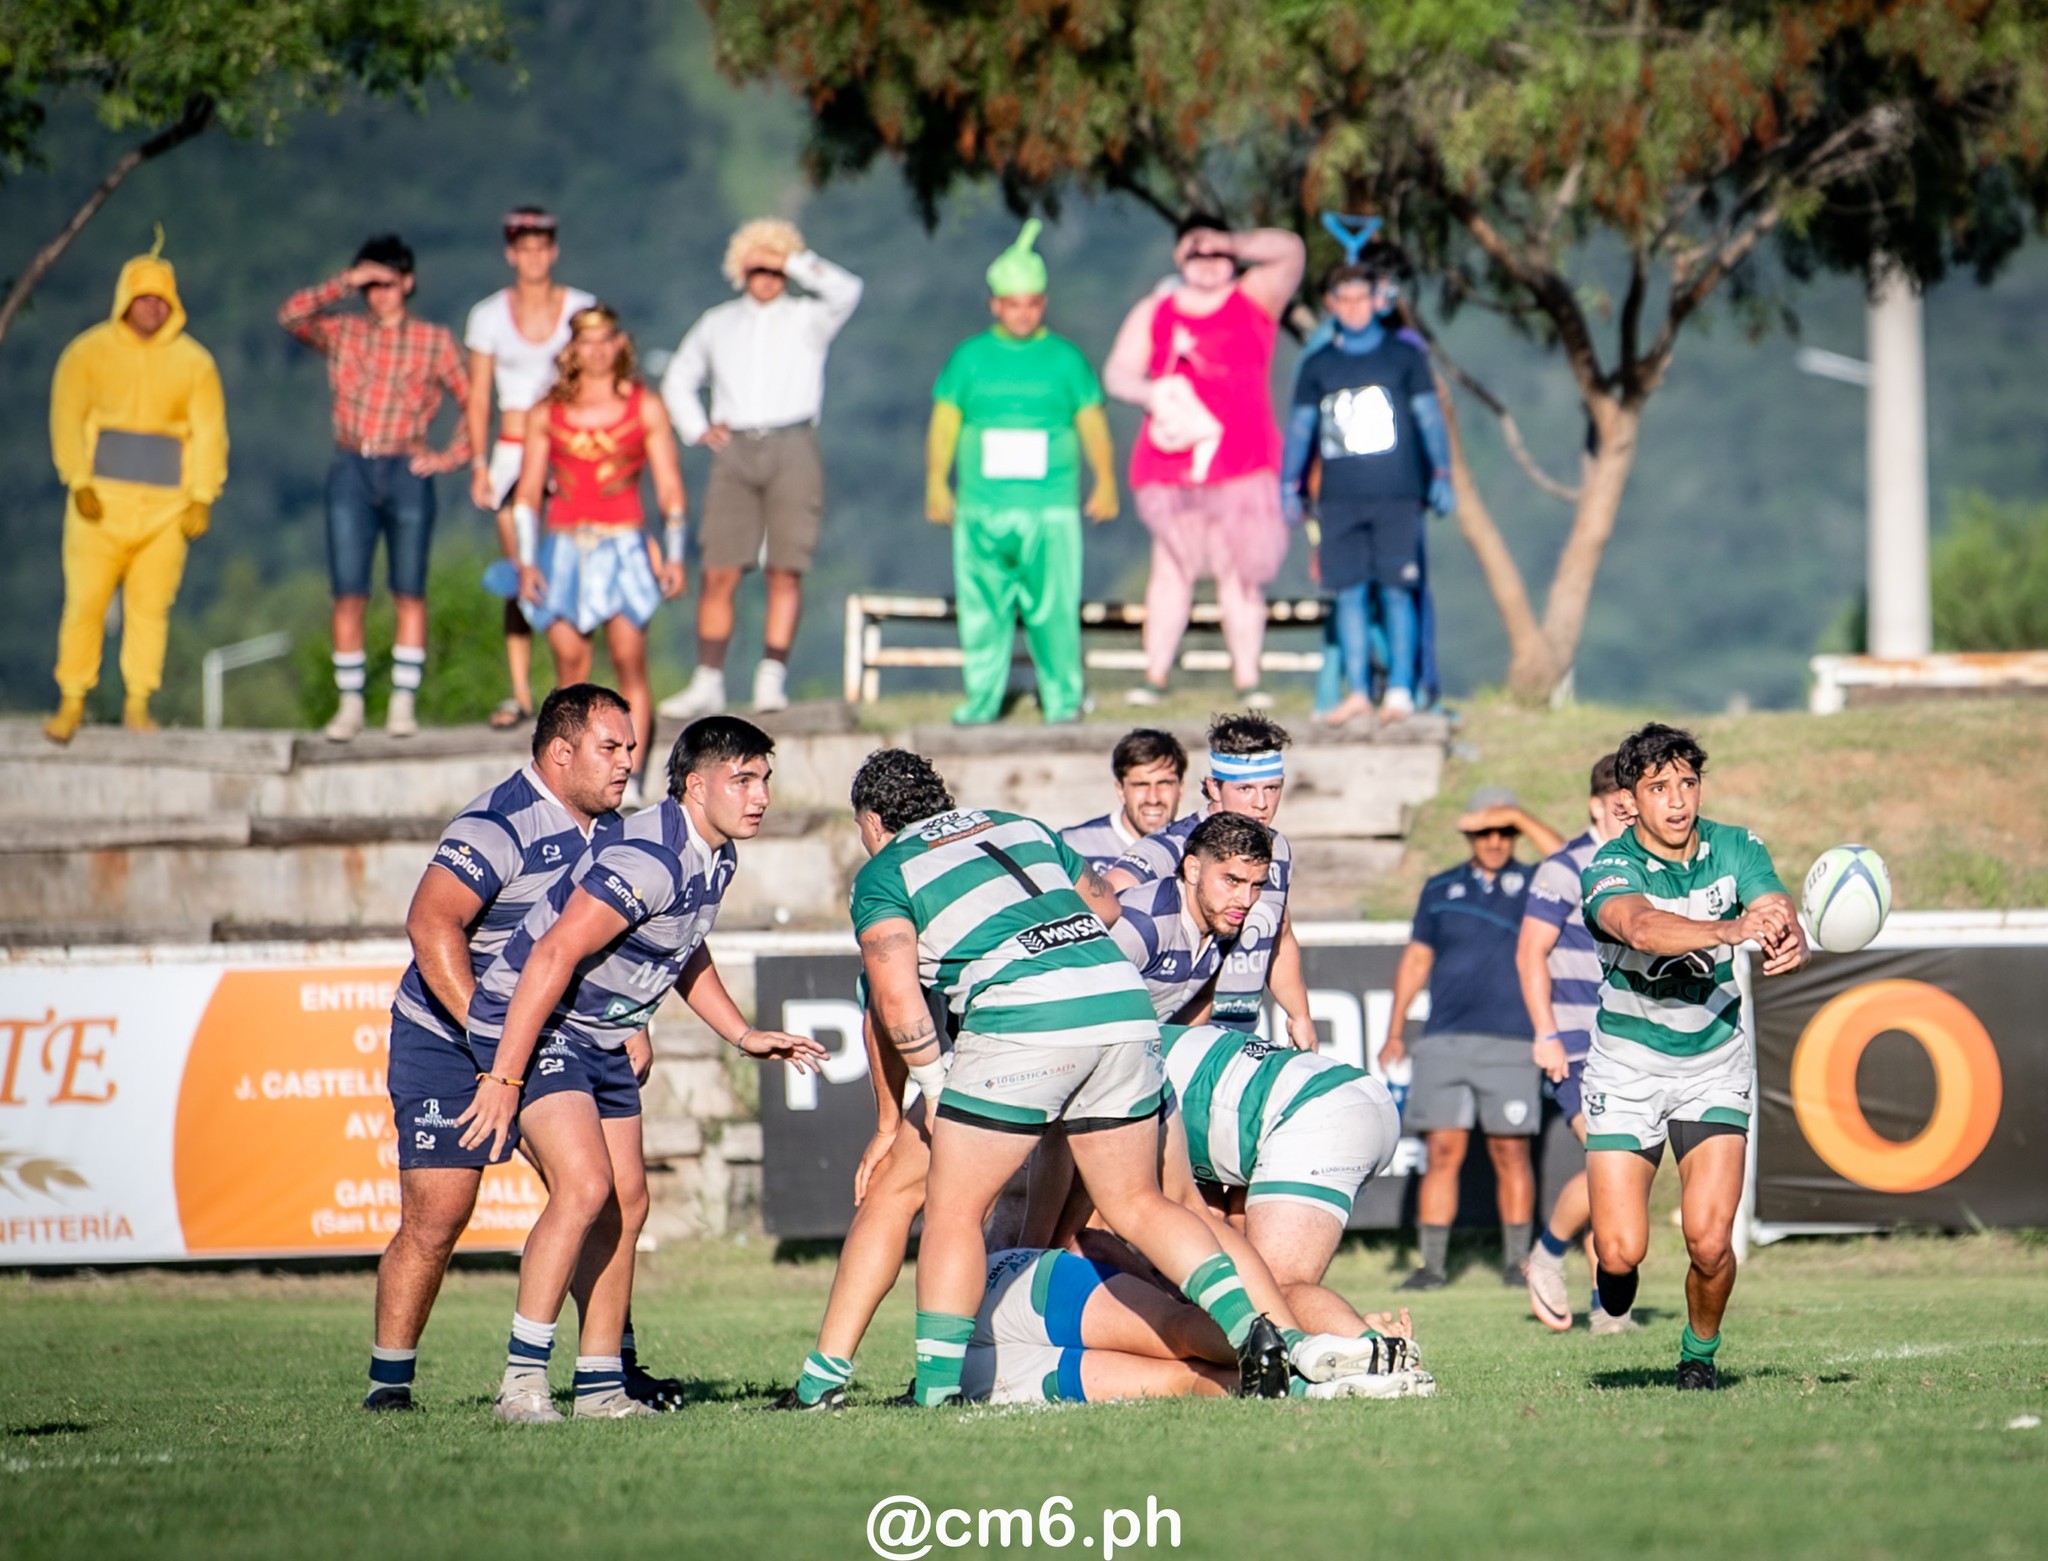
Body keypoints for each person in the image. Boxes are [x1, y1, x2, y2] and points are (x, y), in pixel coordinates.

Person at [846, 748, 1291, 1407]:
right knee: (1145, 1204)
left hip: (1028, 1022)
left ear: (875, 821)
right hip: (1122, 1011)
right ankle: (1259, 1333)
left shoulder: (886, 869)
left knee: (951, 1208)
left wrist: (933, 1084)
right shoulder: (1019, 824)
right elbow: (1104, 907)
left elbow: (894, 1000)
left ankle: (931, 1394)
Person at [459, 717, 826, 1421]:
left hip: (600, 1032)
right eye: (742, 779)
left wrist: (742, 1032)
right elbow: (553, 954)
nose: (760, 797)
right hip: (538, 1022)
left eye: (765, 781)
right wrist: (503, 1078)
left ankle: (600, 1386)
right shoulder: (649, 856)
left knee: (628, 1201)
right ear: (696, 785)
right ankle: (522, 1384)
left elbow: (682, 947)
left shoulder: (715, 857)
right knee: (585, 1186)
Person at [369, 684, 683, 1411]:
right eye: (612, 748)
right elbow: (431, 926)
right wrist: (492, 1042)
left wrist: (629, 1020)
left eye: (632, 748)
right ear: (559, 750)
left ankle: (610, 1369)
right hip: (447, 1036)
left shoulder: (617, 831)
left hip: (551, 1035)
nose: (628, 764)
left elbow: (604, 941)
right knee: (438, 1215)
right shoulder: (496, 823)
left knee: (603, 1193)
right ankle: (389, 1386)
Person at [1580, 724, 1808, 1391]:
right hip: (1626, 1067)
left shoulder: (1737, 846)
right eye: (1659, 787)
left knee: (1710, 1241)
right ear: (1630, 799)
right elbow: (1641, 928)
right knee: (1622, 1251)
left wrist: (1782, 933)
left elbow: (1771, 904)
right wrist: (1729, 929)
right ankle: (1612, 1273)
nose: (1678, 800)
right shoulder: (1609, 866)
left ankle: (1698, 1356)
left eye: (1688, 782)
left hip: (1713, 1061)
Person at [658, 219, 863, 718]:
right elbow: (680, 377)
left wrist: (792, 257)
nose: (767, 276)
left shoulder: (807, 317)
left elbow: (847, 289)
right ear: (740, 268)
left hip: (793, 439)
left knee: (785, 566)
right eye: (758, 265)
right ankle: (708, 678)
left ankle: (772, 675)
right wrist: (697, 427)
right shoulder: (718, 322)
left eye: (776, 268)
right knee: (720, 567)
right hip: (737, 444)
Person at [1103, 215, 1305, 708]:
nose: (1208, 264)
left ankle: (1247, 677)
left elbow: (1291, 251)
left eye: (1217, 255)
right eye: (1197, 254)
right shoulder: (1157, 310)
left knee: (1240, 573)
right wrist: (1156, 393)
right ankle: (1155, 674)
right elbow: (1118, 372)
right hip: (1173, 466)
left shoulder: (1254, 299)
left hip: (1242, 461)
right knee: (1172, 569)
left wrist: (1232, 240)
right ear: (1178, 257)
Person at [926, 219, 1119, 725]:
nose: (1022, 314)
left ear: (1044, 303)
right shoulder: (968, 358)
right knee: (983, 611)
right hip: (981, 508)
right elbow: (945, 424)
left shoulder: (1066, 359)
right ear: (995, 305)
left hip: (1049, 509)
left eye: (1032, 303)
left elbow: (1092, 422)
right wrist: (935, 484)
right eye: (1013, 304)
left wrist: (1106, 480)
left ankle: (1062, 700)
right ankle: (982, 700)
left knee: (1053, 612)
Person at [280, 233, 470, 741]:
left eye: (387, 283)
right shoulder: (343, 332)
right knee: (349, 591)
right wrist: (346, 281)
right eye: (371, 285)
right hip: (351, 464)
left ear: (407, 282)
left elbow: (473, 399)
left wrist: (450, 455)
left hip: (407, 465)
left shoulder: (434, 341)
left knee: (409, 588)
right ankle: (350, 703)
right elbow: (291, 317)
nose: (378, 294)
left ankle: (403, 703)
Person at [1380, 786, 1564, 1291]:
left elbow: (1576, 865)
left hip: (1511, 1039)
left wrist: (1521, 814)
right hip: (1445, 1039)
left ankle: (1515, 1262)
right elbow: (1417, 958)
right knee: (1442, 1152)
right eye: (1485, 829)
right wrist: (1395, 1028)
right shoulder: (1440, 888)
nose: (1495, 840)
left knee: (1511, 1153)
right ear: (1469, 834)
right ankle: (1433, 1266)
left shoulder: (1537, 883)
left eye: (1505, 830)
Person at [45, 232, 226, 742]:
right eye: (143, 299)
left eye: (160, 300)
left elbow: (209, 432)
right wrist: (77, 479)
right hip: (99, 504)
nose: (151, 308)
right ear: (125, 300)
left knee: (151, 610)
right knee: (85, 602)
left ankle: (138, 700)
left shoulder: (195, 363)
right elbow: (66, 416)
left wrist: (202, 495)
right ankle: (72, 698)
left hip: (166, 510)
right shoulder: (87, 353)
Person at [508, 304, 686, 806]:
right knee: (571, 666)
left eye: (606, 338)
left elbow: (669, 486)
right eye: (587, 340)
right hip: (564, 546)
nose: (597, 349)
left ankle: (633, 775)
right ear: (572, 349)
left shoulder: (643, 406)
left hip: (623, 542)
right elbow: (527, 491)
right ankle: (575, 781)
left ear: (618, 343)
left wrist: (673, 554)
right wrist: (525, 560)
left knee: (630, 658)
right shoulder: (547, 410)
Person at [1283, 252, 1454, 725]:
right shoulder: (1318, 365)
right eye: (1346, 299)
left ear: (1376, 301)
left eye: (1363, 298)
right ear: (1330, 303)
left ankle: (1401, 690)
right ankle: (1357, 690)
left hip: (1398, 496)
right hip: (1339, 500)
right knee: (1349, 594)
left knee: (1398, 592)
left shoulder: (1404, 357)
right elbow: (1300, 430)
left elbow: (1428, 417)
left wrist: (1441, 473)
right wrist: (1288, 483)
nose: (1355, 307)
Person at [963, 1244, 1429, 1404]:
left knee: (1180, 1380)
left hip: (968, 1340)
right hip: (1015, 1277)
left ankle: (1320, 1390)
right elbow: (1087, 1236)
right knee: (1178, 1327)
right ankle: (1307, 1349)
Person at [1518, 752, 1641, 1335]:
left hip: (1633, 1040)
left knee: (1624, 1169)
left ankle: (1608, 1308)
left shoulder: (1645, 866)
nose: (1631, 814)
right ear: (1596, 806)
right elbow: (1529, 953)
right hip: (1575, 1040)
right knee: (1607, 1159)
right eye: (1621, 806)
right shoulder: (1565, 867)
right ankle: (1546, 1251)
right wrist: (1545, 1033)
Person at [462, 207, 597, 729]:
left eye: (542, 245)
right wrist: (478, 463)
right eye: (524, 246)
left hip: (566, 450)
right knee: (521, 573)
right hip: (514, 445)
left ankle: (570, 690)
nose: (533, 255)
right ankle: (519, 691)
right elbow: (478, 396)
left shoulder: (579, 308)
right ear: (510, 252)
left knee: (569, 566)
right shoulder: (489, 315)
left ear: (553, 251)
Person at [1104, 713, 1314, 1048]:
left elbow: (1281, 934)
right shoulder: (1174, 846)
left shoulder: (1278, 848)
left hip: (1240, 1038)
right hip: (1179, 1039)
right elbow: (1105, 900)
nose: (1261, 804)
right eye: (1245, 788)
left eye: (1272, 788)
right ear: (1214, 786)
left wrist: (1299, 1016)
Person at [1110, 811, 1272, 1025]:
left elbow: (1200, 1000)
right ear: (1193, 869)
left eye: (1256, 885)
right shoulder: (1141, 924)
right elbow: (1075, 1008)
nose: (1246, 900)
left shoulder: (1226, 918)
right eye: (1232, 880)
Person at [1060, 727, 1188, 872]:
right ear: (1120, 790)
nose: (1153, 798)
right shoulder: (1071, 847)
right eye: (1141, 785)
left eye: (1164, 784)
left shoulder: (1197, 850)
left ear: (1181, 788)